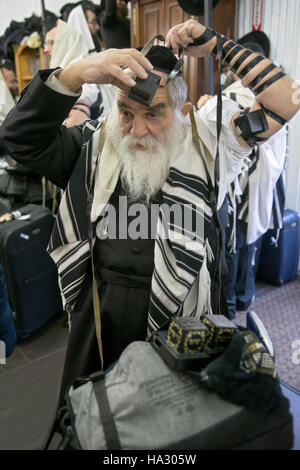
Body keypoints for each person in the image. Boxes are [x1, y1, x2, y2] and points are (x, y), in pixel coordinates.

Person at [0, 19, 299, 409]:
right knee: (95, 420)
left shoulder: (213, 147)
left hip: (184, 320)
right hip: (101, 319)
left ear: (184, 110)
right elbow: (18, 137)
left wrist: (216, 46)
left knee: (176, 423)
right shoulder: (93, 147)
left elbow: (287, 100)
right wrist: (77, 72)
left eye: (154, 114)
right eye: (126, 113)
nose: (136, 131)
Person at [197, 31, 287, 319]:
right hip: (267, 182)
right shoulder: (279, 96)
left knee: (235, 243)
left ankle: (233, 302)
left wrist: (205, 106)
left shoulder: (233, 96)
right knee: (251, 243)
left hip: (242, 186)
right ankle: (244, 296)